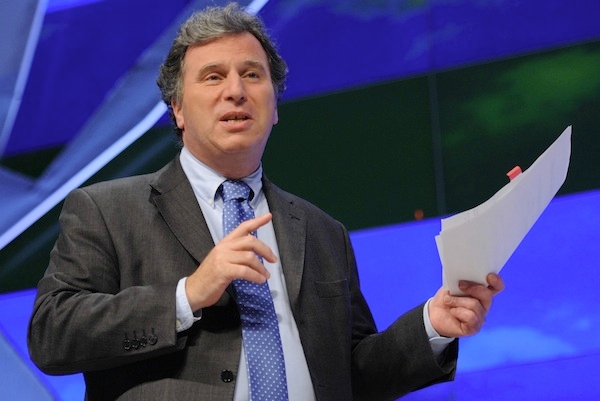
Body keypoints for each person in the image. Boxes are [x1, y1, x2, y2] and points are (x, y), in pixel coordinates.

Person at [28, 3, 504, 401]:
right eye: (213, 77)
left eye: (252, 75)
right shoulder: (106, 211)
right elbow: (51, 334)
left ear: (274, 107)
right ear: (178, 109)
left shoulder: (322, 231)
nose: (235, 91)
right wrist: (187, 295)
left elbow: (350, 376)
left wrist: (432, 325)